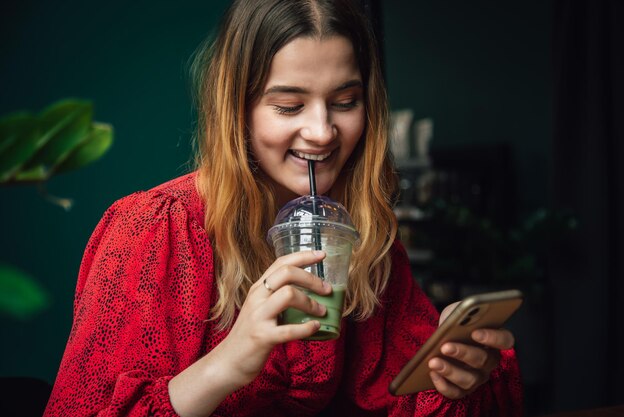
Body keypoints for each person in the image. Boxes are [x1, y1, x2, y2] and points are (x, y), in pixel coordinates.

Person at [44, 0, 523, 416]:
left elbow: (401, 397)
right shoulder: (156, 229)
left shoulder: (359, 231)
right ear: (238, 107)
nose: (322, 132)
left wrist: (457, 373)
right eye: (289, 106)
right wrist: (230, 361)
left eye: (345, 101)